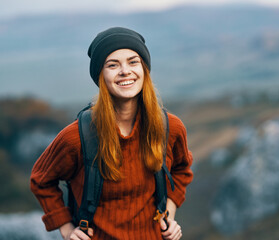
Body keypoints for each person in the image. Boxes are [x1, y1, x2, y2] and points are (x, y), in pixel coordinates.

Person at [30, 27, 193, 240]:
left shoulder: (169, 128)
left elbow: (182, 170)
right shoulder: (77, 137)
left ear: (144, 69)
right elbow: (41, 180)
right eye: (112, 65)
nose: (125, 71)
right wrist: (67, 229)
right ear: (100, 75)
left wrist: (168, 215)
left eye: (133, 61)